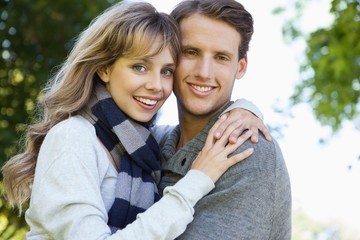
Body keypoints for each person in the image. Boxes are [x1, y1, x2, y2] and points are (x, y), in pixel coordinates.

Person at [1, 1, 268, 239]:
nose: (156, 86)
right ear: (104, 68)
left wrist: (244, 110)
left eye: (166, 71)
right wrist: (196, 181)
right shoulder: (72, 137)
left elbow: (189, 132)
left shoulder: (146, 144)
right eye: (139, 67)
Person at [153, 0, 292, 239]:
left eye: (221, 57)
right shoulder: (153, 143)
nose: (204, 72)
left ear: (241, 67)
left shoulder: (245, 149)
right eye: (191, 52)